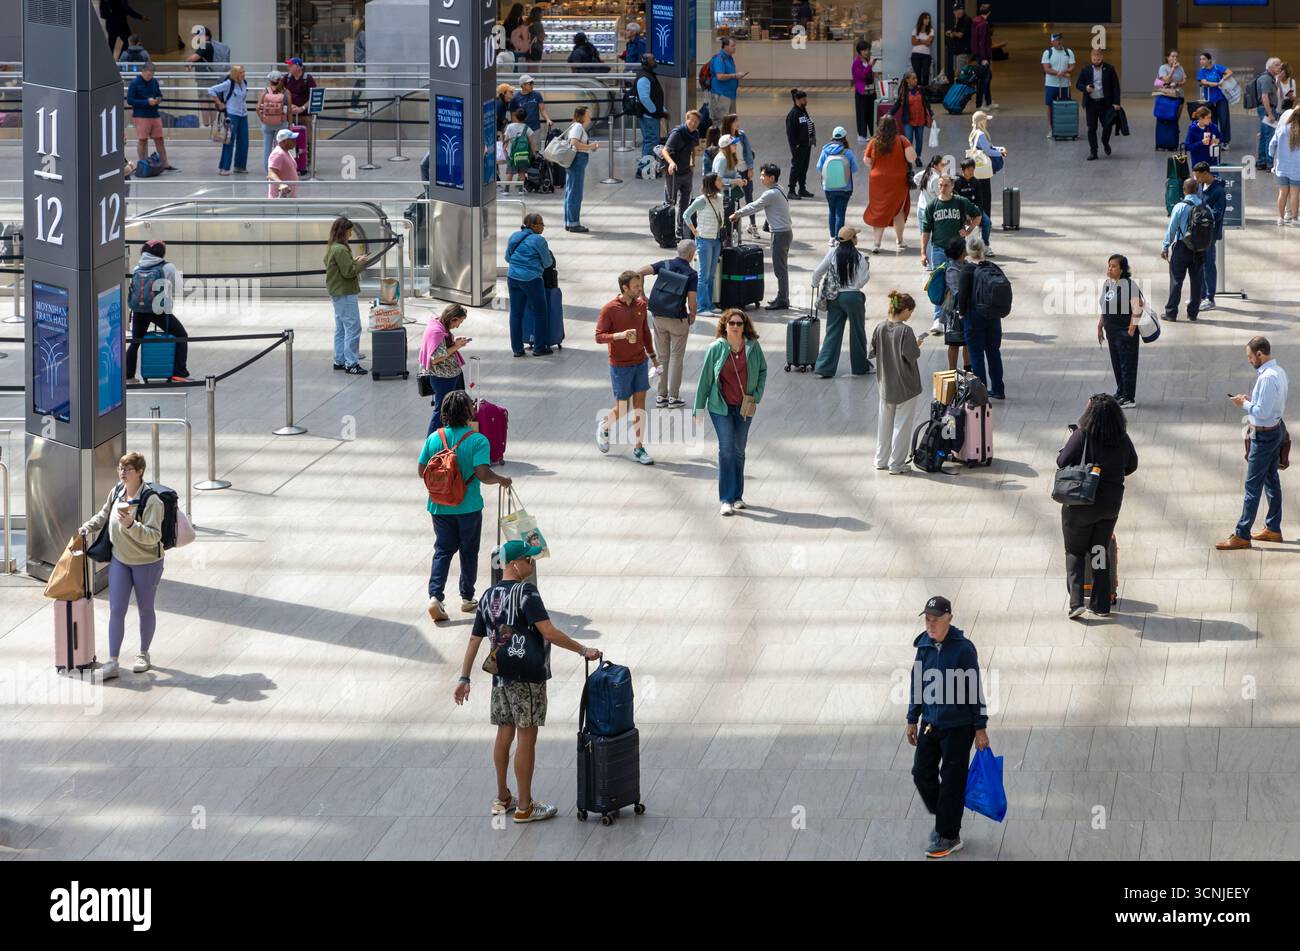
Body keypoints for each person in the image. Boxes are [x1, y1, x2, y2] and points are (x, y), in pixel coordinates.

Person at [454, 538, 601, 823]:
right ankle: (525, 807)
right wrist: (583, 649)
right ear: (514, 564)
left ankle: (502, 797)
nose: (532, 565)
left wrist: (464, 676)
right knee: (526, 738)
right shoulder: (527, 593)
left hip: (500, 678)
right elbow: (548, 632)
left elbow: (475, 639)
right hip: (528, 678)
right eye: (528, 560)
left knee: (503, 734)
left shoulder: (487, 596)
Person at [906, 594, 990, 859]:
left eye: (936, 620)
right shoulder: (924, 647)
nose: (930, 625)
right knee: (921, 772)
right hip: (931, 724)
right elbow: (916, 684)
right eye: (928, 620)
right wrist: (912, 718)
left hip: (959, 727)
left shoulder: (963, 649)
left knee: (952, 780)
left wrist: (980, 727)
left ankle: (949, 834)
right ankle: (946, 812)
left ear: (949, 619)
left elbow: (974, 689)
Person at [420, 390, 513, 622]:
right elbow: (482, 473)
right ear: (468, 412)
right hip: (468, 507)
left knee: (442, 550)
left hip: (439, 506)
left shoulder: (434, 438)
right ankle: (467, 597)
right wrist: (501, 480)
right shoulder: (477, 440)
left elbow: (422, 471)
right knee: (468, 551)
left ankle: (435, 597)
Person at [77, 451, 165, 680]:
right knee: (116, 610)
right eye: (120, 468)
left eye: (127, 469)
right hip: (120, 560)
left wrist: (130, 525)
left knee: (145, 609)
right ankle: (113, 661)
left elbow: (153, 536)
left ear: (140, 472)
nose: (122, 473)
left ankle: (144, 654)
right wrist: (89, 526)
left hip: (147, 563)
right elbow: (105, 514)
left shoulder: (151, 500)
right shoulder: (117, 491)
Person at [1057, 395, 1139, 616]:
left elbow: (1062, 461)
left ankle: (1076, 603)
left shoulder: (1082, 434)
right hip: (1110, 505)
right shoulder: (1122, 437)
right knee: (1099, 549)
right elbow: (1132, 465)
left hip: (1081, 503)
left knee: (1074, 551)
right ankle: (1101, 604)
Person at [693, 309, 767, 516]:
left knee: (739, 451)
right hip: (720, 407)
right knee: (726, 450)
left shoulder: (752, 346)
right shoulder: (716, 348)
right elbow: (705, 379)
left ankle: (737, 496)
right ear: (725, 326)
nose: (735, 326)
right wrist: (698, 408)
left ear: (745, 326)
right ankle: (726, 498)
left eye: (739, 323)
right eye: (731, 323)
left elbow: (763, 370)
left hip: (744, 407)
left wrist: (757, 394)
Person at [1218, 337, 1289, 550]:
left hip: (1265, 437)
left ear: (1260, 354)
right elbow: (1270, 404)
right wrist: (1252, 401)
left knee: (1252, 487)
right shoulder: (1280, 372)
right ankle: (1273, 528)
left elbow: (1261, 412)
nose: (1249, 360)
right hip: (1276, 430)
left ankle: (1242, 534)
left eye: (1250, 356)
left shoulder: (1267, 378)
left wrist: (1244, 404)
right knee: (1271, 479)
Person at [595, 271, 660, 465]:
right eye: (636, 287)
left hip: (640, 362)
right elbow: (599, 336)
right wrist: (619, 335)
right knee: (623, 408)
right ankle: (605, 426)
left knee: (640, 405)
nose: (640, 289)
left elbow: (645, 333)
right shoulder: (609, 309)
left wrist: (654, 358)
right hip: (620, 365)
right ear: (625, 288)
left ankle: (639, 447)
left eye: (639, 285)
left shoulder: (641, 305)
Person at [637, 240, 698, 407]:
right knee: (677, 357)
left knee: (662, 357)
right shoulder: (691, 274)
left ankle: (661, 395)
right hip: (677, 319)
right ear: (691, 255)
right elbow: (692, 300)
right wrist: (692, 315)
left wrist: (642, 295)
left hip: (659, 317)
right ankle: (673, 397)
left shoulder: (664, 265)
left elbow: (640, 272)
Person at [125, 240, 191, 384]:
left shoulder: (137, 268)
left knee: (136, 342)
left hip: (139, 310)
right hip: (159, 310)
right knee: (181, 335)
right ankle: (179, 373)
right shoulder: (168, 267)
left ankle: (128, 376)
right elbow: (178, 289)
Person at [921, 174, 981, 329]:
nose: (942, 188)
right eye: (940, 185)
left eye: (945, 185)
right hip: (939, 248)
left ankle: (954, 315)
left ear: (952, 186)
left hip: (957, 249)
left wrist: (968, 231)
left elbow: (977, 215)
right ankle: (938, 319)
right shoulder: (932, 205)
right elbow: (926, 230)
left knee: (955, 282)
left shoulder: (960, 202)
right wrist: (923, 251)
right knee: (940, 281)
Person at [871, 291, 923, 474]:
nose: (910, 315)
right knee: (902, 425)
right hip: (905, 385)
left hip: (885, 384)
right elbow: (912, 355)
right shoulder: (906, 331)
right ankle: (897, 464)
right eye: (911, 312)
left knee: (884, 423)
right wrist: (917, 345)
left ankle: (880, 459)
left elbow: (873, 351)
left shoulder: (879, 327)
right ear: (905, 310)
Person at [812, 227, 872, 378]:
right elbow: (862, 281)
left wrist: (815, 284)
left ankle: (824, 368)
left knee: (833, 332)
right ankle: (860, 367)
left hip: (835, 297)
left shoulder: (833, 253)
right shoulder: (861, 257)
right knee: (857, 332)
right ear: (852, 239)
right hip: (853, 297)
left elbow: (817, 272)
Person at [731, 163, 792, 310]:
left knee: (780, 268)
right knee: (781, 267)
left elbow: (754, 206)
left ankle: (783, 299)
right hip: (783, 232)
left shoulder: (771, 193)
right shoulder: (779, 189)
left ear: (772, 178)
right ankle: (782, 296)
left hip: (780, 234)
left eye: (764, 175)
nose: (761, 178)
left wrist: (737, 214)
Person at [958, 236, 1006, 400]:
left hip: (973, 317)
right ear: (983, 249)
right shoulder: (993, 267)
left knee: (976, 354)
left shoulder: (967, 270)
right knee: (994, 353)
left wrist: (961, 313)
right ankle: (998, 389)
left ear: (969, 251)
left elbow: (962, 297)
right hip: (993, 317)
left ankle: (981, 393)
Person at [862, 116, 915, 253]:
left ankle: (876, 244)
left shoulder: (873, 142)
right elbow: (912, 158)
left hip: (877, 181)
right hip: (897, 181)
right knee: (898, 211)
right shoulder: (902, 140)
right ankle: (900, 241)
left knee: (878, 211)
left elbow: (866, 161)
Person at [1097, 254, 1144, 409]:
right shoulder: (1107, 284)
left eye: (1114, 266)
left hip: (1124, 332)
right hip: (1112, 332)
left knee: (1127, 365)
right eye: (1109, 265)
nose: (1110, 268)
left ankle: (1129, 397)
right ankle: (1121, 391)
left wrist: (1131, 329)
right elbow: (1105, 306)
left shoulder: (1129, 286)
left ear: (1122, 269)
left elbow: (1138, 306)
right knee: (1117, 363)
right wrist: (1100, 325)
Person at [323, 217, 368, 375]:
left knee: (341, 328)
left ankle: (340, 359)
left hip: (337, 292)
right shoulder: (341, 249)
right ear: (344, 231)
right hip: (345, 292)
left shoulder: (333, 247)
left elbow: (333, 264)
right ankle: (351, 363)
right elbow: (349, 272)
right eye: (349, 231)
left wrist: (353, 261)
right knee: (353, 327)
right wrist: (361, 263)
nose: (350, 234)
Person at [505, 213, 554, 357]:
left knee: (515, 313)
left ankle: (517, 349)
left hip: (512, 277)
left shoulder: (514, 236)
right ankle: (539, 348)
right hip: (531, 279)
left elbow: (508, 258)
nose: (543, 226)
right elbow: (547, 263)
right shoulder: (539, 240)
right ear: (533, 225)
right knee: (540, 312)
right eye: (541, 224)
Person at [419, 304, 470, 435]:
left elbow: (441, 346)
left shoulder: (439, 325)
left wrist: (454, 341)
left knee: (455, 407)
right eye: (459, 322)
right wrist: (456, 346)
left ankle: (449, 438)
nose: (458, 326)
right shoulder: (436, 331)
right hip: (443, 378)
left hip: (451, 374)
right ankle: (430, 442)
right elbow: (435, 358)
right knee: (442, 410)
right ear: (453, 319)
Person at [1162, 178, 1206, 323]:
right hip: (1199, 249)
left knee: (1176, 280)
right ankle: (1193, 313)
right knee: (1197, 281)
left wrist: (1166, 246)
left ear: (1184, 190)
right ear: (1197, 190)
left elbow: (1172, 228)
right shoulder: (1205, 206)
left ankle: (1171, 312)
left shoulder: (1180, 207)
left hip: (1182, 247)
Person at [683, 173, 727, 317]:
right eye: (719, 180)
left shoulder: (720, 198)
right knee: (703, 274)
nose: (721, 182)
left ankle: (709, 304)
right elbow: (686, 214)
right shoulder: (701, 200)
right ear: (712, 183)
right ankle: (702, 307)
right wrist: (694, 230)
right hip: (704, 240)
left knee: (711, 274)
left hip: (716, 239)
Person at [125, 62, 173, 172]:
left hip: (154, 114)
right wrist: (146, 102)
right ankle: (143, 163)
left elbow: (159, 94)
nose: (149, 77)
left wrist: (159, 99)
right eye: (148, 74)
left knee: (159, 139)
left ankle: (165, 163)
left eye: (151, 75)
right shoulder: (135, 83)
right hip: (141, 116)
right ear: (142, 72)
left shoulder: (154, 82)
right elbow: (130, 100)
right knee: (143, 140)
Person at [817, 126, 860, 243]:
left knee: (832, 211)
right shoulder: (848, 152)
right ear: (844, 137)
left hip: (829, 187)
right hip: (845, 188)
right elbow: (855, 169)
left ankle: (831, 237)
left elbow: (819, 167)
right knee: (840, 213)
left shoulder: (825, 150)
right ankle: (838, 238)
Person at [1076, 48, 1121, 161]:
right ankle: (1093, 151)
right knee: (1092, 128)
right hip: (1091, 103)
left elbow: (1116, 87)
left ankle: (1105, 141)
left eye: (1098, 58)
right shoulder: (1085, 70)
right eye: (1094, 58)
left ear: (1102, 57)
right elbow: (1078, 84)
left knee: (1107, 125)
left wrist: (1116, 102)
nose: (1096, 60)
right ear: (1091, 58)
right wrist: (1085, 88)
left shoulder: (1109, 69)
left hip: (1105, 103)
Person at [663, 110, 703, 238]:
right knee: (671, 202)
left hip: (687, 173)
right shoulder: (677, 133)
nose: (693, 123)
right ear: (686, 119)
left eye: (696, 122)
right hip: (674, 174)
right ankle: (668, 230)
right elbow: (665, 150)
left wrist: (692, 161)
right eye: (691, 120)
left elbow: (693, 149)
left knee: (685, 204)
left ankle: (680, 230)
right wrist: (670, 163)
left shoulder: (695, 134)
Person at [1193, 162, 1226, 312]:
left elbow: (1218, 214)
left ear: (1206, 173)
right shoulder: (1201, 186)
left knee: (1208, 264)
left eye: (1198, 176)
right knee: (1201, 263)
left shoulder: (1218, 191)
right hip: (1200, 232)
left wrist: (1203, 212)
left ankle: (1210, 298)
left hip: (1210, 234)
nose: (1196, 178)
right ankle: (1201, 295)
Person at [720, 114, 760, 239]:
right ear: (729, 123)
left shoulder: (741, 135)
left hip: (743, 170)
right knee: (731, 200)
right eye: (735, 121)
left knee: (749, 198)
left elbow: (748, 151)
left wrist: (750, 167)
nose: (738, 123)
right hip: (732, 172)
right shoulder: (725, 138)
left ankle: (752, 225)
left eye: (738, 120)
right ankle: (731, 227)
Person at [562, 106, 600, 233]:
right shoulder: (578, 127)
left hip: (575, 162)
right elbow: (574, 143)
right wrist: (590, 146)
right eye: (588, 114)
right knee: (575, 193)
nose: (590, 116)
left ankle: (569, 221)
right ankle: (573, 223)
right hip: (577, 162)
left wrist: (589, 147)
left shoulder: (576, 127)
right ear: (582, 116)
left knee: (571, 191)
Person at [207, 65, 249, 176]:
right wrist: (219, 103)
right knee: (228, 141)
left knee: (244, 141)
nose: (243, 74)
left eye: (244, 72)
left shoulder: (244, 83)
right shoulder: (229, 84)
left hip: (243, 114)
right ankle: (224, 167)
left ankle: (240, 166)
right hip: (232, 114)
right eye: (241, 72)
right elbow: (211, 90)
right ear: (236, 74)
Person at [937, 237, 972, 371]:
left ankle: (968, 370)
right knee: (954, 344)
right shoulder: (952, 269)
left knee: (967, 342)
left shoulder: (966, 264)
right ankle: (952, 372)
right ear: (962, 251)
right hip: (953, 313)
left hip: (965, 310)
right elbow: (957, 291)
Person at [890, 70, 933, 167]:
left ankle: (917, 157)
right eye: (913, 78)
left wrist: (930, 112)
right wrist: (889, 113)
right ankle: (908, 159)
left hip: (920, 120)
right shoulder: (903, 92)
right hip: (908, 121)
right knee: (908, 140)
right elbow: (897, 104)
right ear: (907, 80)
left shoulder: (921, 89)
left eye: (916, 78)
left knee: (919, 140)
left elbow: (926, 102)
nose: (916, 80)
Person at [713, 133, 747, 244]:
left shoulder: (730, 157)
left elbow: (734, 173)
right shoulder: (722, 159)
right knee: (727, 221)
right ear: (727, 147)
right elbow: (717, 180)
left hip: (731, 195)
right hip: (724, 196)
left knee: (733, 220)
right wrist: (734, 181)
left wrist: (740, 179)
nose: (735, 146)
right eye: (733, 144)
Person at [1041, 32, 1076, 138]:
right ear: (1052, 42)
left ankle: (1065, 129)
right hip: (1051, 84)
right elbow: (1046, 68)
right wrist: (1058, 73)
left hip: (1065, 85)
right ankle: (1052, 129)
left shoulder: (1068, 52)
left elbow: (1072, 66)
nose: (1059, 42)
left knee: (1065, 107)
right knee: (1050, 107)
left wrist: (1064, 71)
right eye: (1056, 40)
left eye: (1060, 39)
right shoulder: (1048, 53)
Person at [634, 54, 667, 164]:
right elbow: (644, 98)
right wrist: (654, 111)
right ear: (646, 61)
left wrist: (661, 110)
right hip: (648, 116)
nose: (655, 60)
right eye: (652, 59)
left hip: (651, 115)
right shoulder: (644, 77)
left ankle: (647, 166)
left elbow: (654, 96)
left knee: (651, 141)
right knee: (651, 141)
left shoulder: (649, 75)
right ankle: (644, 168)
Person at [1269, 108, 1300, 226]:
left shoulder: (1282, 129)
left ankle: (1280, 218)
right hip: (1297, 168)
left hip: (1282, 166)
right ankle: (1294, 219)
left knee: (1282, 193)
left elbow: (1272, 145)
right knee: (1295, 194)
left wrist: (1272, 156)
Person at [1197, 51, 1233, 151]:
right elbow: (1204, 82)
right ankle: (1214, 141)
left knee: (1224, 119)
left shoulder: (1217, 67)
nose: (1201, 61)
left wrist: (1223, 79)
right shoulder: (1201, 71)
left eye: (1204, 59)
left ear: (1209, 60)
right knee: (1211, 121)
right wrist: (1217, 83)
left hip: (1221, 98)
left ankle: (1225, 141)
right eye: (1200, 59)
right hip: (1209, 100)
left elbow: (1230, 72)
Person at [256, 70, 291, 170]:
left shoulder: (265, 91)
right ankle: (278, 169)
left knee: (267, 148)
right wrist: (290, 125)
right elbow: (289, 110)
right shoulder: (286, 92)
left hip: (267, 124)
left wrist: (262, 118)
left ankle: (268, 171)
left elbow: (258, 108)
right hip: (281, 123)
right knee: (280, 148)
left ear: (270, 81)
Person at [785, 89, 816, 200]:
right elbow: (790, 133)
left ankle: (802, 189)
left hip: (806, 145)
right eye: (803, 99)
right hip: (799, 147)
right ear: (797, 100)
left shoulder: (803, 111)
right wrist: (796, 146)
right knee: (796, 167)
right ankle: (791, 190)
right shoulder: (793, 114)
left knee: (804, 167)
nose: (805, 100)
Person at [1254, 58, 1284, 170]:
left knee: (1264, 136)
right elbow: (1265, 96)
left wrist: (1278, 80)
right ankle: (1269, 163)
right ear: (1270, 67)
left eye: (1280, 65)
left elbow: (1273, 91)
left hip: (1266, 109)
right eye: (1277, 65)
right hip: (1267, 110)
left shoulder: (1270, 78)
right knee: (1269, 137)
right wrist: (1270, 114)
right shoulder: (1266, 79)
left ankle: (1261, 162)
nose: (1279, 67)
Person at [509, 74, 551, 148]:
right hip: (522, 130)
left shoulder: (537, 95)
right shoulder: (515, 98)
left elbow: (542, 109)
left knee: (536, 151)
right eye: (530, 83)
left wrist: (547, 119)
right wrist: (516, 129)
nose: (532, 85)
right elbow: (513, 115)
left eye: (532, 83)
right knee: (523, 151)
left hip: (535, 128)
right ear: (523, 85)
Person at [707, 38, 744, 120]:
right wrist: (735, 76)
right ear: (725, 46)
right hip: (721, 95)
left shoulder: (729, 58)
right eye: (732, 46)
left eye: (735, 46)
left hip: (730, 95)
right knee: (721, 122)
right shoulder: (719, 59)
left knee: (731, 122)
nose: (735, 48)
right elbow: (719, 76)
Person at [1156, 50, 1187, 146]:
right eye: (1173, 56)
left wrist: (1178, 83)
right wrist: (1173, 69)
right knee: (1166, 118)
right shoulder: (1163, 67)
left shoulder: (1180, 67)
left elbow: (1184, 80)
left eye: (1176, 56)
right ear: (1167, 57)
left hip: (1179, 96)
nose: (1175, 58)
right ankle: (1164, 140)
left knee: (1175, 119)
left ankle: (1173, 139)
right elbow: (1166, 79)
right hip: (1167, 96)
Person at [282, 57, 317, 139]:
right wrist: (289, 106)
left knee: (306, 139)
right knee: (289, 140)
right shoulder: (287, 78)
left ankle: (307, 152)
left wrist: (302, 108)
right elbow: (279, 93)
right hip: (290, 115)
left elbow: (314, 96)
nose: (288, 67)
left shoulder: (308, 79)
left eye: (291, 65)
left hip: (305, 115)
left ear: (298, 67)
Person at [915, 155, 946, 247]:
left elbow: (916, 178)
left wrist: (923, 188)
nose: (944, 166)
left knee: (924, 235)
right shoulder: (937, 178)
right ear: (936, 166)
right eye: (942, 164)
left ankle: (926, 258)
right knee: (932, 237)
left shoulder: (925, 172)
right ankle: (931, 260)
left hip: (921, 208)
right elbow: (940, 195)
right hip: (930, 210)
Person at [852, 39, 877, 144]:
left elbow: (869, 75)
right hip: (862, 93)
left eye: (868, 49)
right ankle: (862, 135)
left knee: (871, 114)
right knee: (862, 114)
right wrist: (870, 66)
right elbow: (861, 76)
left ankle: (873, 134)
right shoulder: (856, 63)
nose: (867, 52)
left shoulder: (867, 61)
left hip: (871, 93)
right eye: (864, 50)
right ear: (859, 51)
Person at [971, 3, 995, 110]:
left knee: (987, 77)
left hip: (978, 54)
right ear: (989, 13)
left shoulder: (975, 21)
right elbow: (982, 42)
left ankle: (988, 102)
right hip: (983, 56)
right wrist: (984, 58)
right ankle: (980, 104)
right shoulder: (984, 24)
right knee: (984, 80)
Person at [267, 128, 300, 198]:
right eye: (292, 140)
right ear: (284, 141)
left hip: (289, 198)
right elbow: (271, 173)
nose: (295, 141)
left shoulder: (286, 152)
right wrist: (281, 184)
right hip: (280, 200)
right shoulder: (278, 154)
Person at [945, 5, 972, 81]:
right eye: (954, 13)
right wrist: (951, 33)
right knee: (956, 72)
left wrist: (953, 33)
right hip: (956, 50)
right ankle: (957, 89)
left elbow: (960, 35)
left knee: (961, 72)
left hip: (963, 50)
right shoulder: (959, 20)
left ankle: (961, 90)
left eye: (955, 12)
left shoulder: (967, 20)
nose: (955, 14)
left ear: (960, 10)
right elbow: (956, 33)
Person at [911, 11, 935, 88]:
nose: (928, 20)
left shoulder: (931, 30)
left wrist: (919, 40)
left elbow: (929, 43)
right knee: (917, 74)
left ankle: (925, 91)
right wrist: (924, 41)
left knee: (925, 74)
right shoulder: (915, 29)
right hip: (915, 55)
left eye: (929, 19)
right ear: (922, 19)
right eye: (926, 18)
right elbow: (913, 42)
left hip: (926, 56)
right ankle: (918, 92)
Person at [349, 16, 366, 110]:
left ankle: (354, 104)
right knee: (360, 83)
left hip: (361, 63)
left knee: (360, 83)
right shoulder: (363, 34)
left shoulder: (361, 33)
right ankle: (353, 105)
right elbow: (367, 46)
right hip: (362, 64)